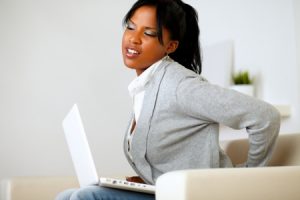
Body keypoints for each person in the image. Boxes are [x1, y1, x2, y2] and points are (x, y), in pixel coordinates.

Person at [56, 0, 280, 199]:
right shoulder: (145, 87)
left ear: (170, 46)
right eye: (130, 27)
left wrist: (245, 178)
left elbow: (265, 117)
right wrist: (144, 180)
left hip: (194, 195)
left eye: (149, 33)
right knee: (67, 195)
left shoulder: (181, 86)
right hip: (162, 192)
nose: (133, 39)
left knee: (87, 196)